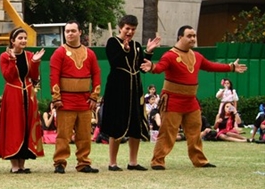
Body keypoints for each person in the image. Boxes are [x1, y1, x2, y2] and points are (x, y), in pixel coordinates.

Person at [140, 25, 247, 169]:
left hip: (191, 101)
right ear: (180, 37)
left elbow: (211, 66)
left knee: (195, 132)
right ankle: (157, 161)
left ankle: (199, 160)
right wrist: (152, 67)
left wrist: (231, 67)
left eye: (194, 36)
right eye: (189, 36)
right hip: (172, 101)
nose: (192, 39)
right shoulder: (170, 55)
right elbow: (159, 68)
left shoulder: (197, 56)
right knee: (168, 132)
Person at [101, 14, 161, 171]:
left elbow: (142, 67)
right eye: (127, 28)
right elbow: (114, 62)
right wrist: (124, 50)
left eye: (133, 29)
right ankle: (112, 163)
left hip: (135, 89)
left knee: (136, 124)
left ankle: (133, 162)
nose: (130, 32)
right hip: (117, 89)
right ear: (121, 27)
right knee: (116, 124)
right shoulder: (112, 42)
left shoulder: (136, 45)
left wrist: (148, 52)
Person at [49, 20, 101, 174]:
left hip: (85, 101)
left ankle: (84, 163)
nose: (70, 34)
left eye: (73, 31)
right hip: (65, 101)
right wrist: (56, 98)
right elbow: (54, 76)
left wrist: (94, 96)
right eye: (67, 31)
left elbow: (96, 74)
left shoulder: (90, 53)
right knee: (63, 135)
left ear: (80, 33)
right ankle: (59, 162)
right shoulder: (59, 53)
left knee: (85, 135)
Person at [0, 27, 45, 173]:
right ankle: (14, 166)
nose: (23, 40)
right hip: (13, 94)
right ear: (12, 41)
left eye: (25, 38)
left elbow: (34, 77)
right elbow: (8, 76)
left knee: (26, 127)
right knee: (14, 126)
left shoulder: (29, 55)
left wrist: (35, 62)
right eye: (20, 38)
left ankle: (22, 164)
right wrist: (12, 60)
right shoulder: (4, 56)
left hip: (28, 94)